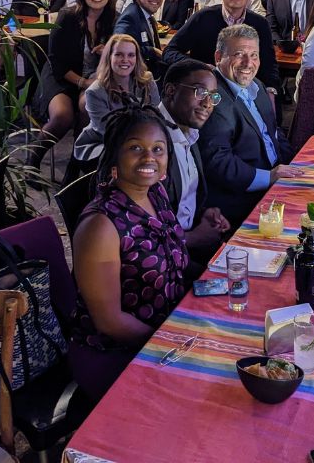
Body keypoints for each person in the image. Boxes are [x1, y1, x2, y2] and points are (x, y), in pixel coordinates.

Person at [69, 104, 190, 403]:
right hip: (115, 355)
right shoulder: (101, 225)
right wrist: (169, 343)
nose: (149, 158)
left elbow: (171, 254)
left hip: (165, 334)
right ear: (114, 157)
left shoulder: (155, 194)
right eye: (136, 148)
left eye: (158, 149)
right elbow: (109, 321)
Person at [197, 24, 299, 227]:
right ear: (218, 57)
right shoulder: (213, 98)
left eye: (254, 55)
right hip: (241, 202)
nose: (248, 63)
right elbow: (218, 161)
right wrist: (269, 177)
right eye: (239, 54)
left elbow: (274, 132)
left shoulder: (257, 85)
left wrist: (293, 164)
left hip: (276, 185)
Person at [29, 0, 117, 170]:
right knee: (62, 115)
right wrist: (81, 82)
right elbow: (55, 60)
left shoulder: (114, 19)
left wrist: (108, 51)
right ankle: (33, 161)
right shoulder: (67, 16)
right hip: (61, 75)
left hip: (93, 77)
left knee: (88, 107)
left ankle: (75, 165)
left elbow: (121, 55)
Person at [163, 0, 282, 97]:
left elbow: (269, 64)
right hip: (206, 91)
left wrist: (271, 91)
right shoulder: (202, 18)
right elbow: (170, 51)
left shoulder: (260, 23)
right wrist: (198, 66)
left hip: (247, 91)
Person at [158, 59, 232, 264]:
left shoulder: (189, 132)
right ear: (171, 90)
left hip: (191, 243)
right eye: (200, 92)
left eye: (213, 96)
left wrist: (203, 214)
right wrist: (192, 238)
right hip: (168, 260)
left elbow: (183, 197)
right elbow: (138, 226)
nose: (208, 103)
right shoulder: (151, 142)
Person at [74, 34, 161, 161]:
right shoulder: (95, 92)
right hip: (102, 144)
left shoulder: (147, 81)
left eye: (131, 55)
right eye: (119, 55)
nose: (125, 60)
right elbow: (110, 132)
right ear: (109, 57)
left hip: (141, 141)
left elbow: (156, 118)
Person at [113, 0, 167, 77]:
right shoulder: (129, 17)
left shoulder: (146, 15)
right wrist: (152, 50)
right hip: (135, 78)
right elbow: (119, 48)